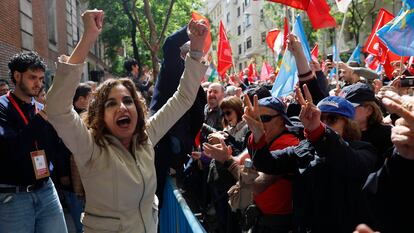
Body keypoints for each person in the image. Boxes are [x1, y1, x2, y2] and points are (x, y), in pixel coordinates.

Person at [45, 10, 208, 233]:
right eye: (111, 104)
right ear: (100, 115)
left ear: (138, 109)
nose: (122, 107)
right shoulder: (89, 146)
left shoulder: (147, 135)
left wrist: (196, 50)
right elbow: (56, 108)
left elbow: (183, 98)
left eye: (128, 101)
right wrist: (88, 38)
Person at [248, 86, 378, 233]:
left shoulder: (364, 150)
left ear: (349, 124)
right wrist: (258, 135)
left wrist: (319, 131)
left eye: (332, 119)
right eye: (319, 117)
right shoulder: (304, 149)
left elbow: (349, 162)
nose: (323, 123)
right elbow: (267, 164)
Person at [0, 51, 69, 233]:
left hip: (46, 190)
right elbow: (11, 149)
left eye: (40, 78)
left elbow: (54, 146)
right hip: (14, 196)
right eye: (32, 78)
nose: (38, 84)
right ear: (17, 76)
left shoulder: (40, 108)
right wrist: (43, 116)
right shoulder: (2, 107)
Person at [149, 25, 206, 207]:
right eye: (192, 56)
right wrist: (188, 32)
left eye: (198, 57)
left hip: (178, 151)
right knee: (154, 202)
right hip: (159, 143)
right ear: (183, 57)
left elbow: (197, 117)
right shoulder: (172, 71)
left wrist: (186, 140)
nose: (197, 63)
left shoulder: (197, 88)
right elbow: (170, 45)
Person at [341, 83, 393, 160]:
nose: (342, 112)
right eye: (341, 108)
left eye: (349, 107)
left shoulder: (387, 136)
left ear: (369, 110)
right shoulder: (339, 132)